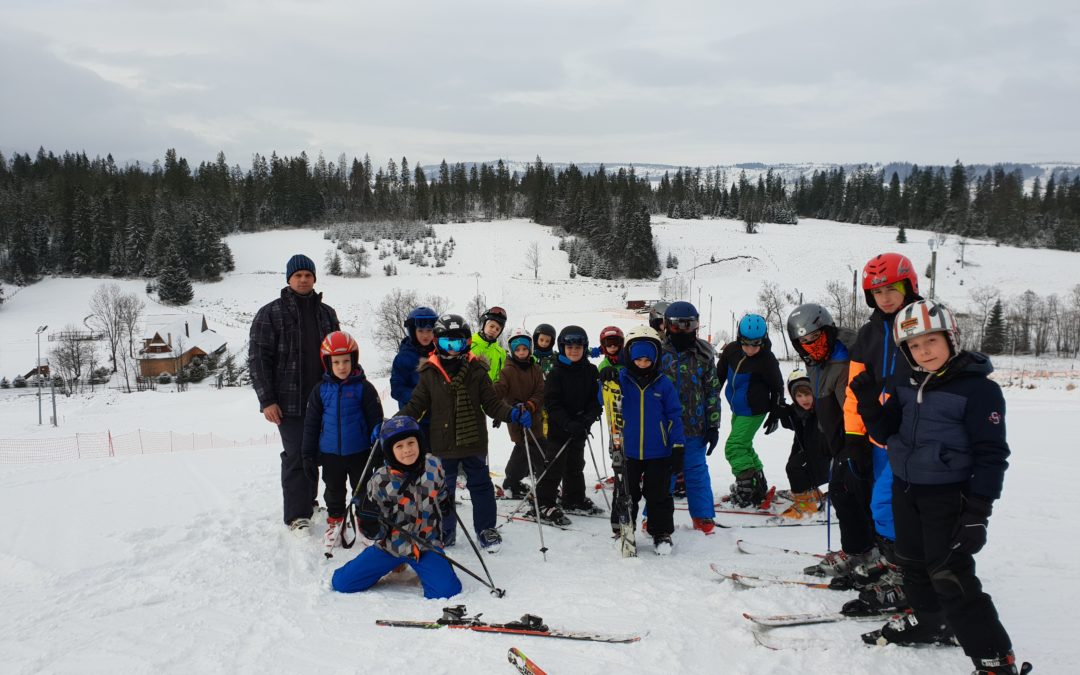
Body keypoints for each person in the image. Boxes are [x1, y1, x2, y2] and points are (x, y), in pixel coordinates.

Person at [851, 300, 1030, 675]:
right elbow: (885, 433)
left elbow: (991, 454)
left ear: (952, 338)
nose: (924, 351)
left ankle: (995, 660)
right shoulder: (906, 381)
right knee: (912, 564)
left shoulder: (979, 391)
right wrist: (869, 404)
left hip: (948, 496)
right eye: (914, 346)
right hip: (906, 488)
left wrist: (978, 513)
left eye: (931, 340)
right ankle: (931, 622)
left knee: (951, 575)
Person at [399, 314, 528, 553]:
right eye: (447, 343)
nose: (452, 350)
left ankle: (485, 528)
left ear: (467, 343)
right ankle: (445, 531)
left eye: (457, 343)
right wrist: (395, 423)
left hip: (473, 442)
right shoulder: (429, 373)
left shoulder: (476, 370)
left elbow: (492, 404)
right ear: (437, 343)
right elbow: (416, 405)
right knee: (443, 490)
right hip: (443, 443)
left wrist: (512, 414)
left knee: (481, 486)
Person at [786, 303, 878, 577]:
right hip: (839, 439)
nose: (809, 344)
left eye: (814, 337)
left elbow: (855, 403)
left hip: (858, 440)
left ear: (826, 331)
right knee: (844, 495)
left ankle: (863, 552)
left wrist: (854, 442)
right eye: (802, 341)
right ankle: (860, 549)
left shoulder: (846, 357)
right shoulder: (816, 362)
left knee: (852, 494)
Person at [249, 254, 340, 532]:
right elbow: (258, 358)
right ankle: (297, 515)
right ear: (289, 279)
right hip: (289, 403)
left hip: (325, 399)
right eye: (298, 275)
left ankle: (311, 503)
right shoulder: (271, 313)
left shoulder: (327, 313)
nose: (303, 280)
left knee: (323, 454)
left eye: (308, 275)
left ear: (314, 278)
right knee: (297, 456)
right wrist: (267, 400)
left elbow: (339, 355)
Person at [845, 253, 922, 568]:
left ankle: (905, 570)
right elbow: (854, 389)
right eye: (877, 292)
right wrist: (854, 435)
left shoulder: (924, 322)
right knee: (885, 502)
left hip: (912, 433)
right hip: (877, 434)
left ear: (909, 285)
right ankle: (893, 561)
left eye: (892, 289)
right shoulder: (868, 334)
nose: (885, 298)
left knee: (886, 504)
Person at [331, 415, 462, 599]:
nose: (407, 450)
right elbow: (373, 524)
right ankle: (394, 563)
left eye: (411, 443)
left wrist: (444, 501)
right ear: (390, 451)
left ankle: (432, 564)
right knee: (342, 583)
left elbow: (440, 492)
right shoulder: (380, 480)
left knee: (447, 591)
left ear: (419, 443)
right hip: (391, 546)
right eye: (399, 446)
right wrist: (370, 524)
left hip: (426, 544)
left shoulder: (433, 465)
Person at [301, 331, 385, 548]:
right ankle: (336, 523)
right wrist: (307, 455)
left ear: (354, 360)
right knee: (334, 490)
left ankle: (365, 523)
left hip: (360, 452)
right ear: (327, 363)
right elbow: (311, 425)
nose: (341, 366)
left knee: (364, 489)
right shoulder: (320, 391)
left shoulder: (364, 388)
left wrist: (378, 449)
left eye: (346, 361)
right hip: (330, 454)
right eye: (336, 362)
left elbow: (376, 420)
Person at [616, 326, 684, 555]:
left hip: (659, 452)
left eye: (647, 359)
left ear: (655, 359)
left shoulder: (664, 384)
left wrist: (677, 445)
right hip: (629, 450)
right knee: (627, 493)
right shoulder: (621, 380)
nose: (643, 364)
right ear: (630, 358)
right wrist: (604, 380)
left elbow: (674, 414)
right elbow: (603, 400)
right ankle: (623, 528)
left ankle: (661, 532)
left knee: (659, 495)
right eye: (638, 359)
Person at [659, 301, 721, 533]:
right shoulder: (657, 352)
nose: (684, 331)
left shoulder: (704, 354)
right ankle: (656, 515)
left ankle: (703, 516)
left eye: (689, 325)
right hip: (664, 427)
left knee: (696, 472)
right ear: (667, 326)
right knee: (664, 474)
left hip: (695, 428)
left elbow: (712, 391)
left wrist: (713, 425)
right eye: (677, 326)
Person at [715, 313, 785, 510]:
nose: (751, 349)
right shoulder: (731, 351)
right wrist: (710, 399)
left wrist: (775, 412)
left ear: (763, 341)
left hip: (754, 410)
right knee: (744, 446)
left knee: (734, 447)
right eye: (746, 344)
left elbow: (778, 387)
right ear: (739, 338)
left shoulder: (767, 359)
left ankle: (747, 491)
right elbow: (718, 377)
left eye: (756, 345)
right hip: (738, 408)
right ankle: (758, 486)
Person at [496, 328, 564, 524]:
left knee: (523, 450)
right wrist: (507, 408)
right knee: (538, 453)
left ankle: (511, 482)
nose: (521, 353)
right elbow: (500, 391)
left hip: (533, 417)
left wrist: (531, 404)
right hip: (517, 419)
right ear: (512, 351)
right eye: (517, 350)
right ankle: (545, 492)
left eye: (525, 349)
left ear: (530, 349)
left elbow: (540, 391)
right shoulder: (507, 371)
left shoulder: (535, 368)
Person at [544, 325, 603, 516]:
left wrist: (587, 418)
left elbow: (596, 400)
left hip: (580, 428)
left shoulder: (591, 371)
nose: (574, 351)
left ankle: (574, 498)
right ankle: (545, 503)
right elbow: (552, 404)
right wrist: (567, 423)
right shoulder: (556, 373)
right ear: (562, 348)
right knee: (554, 466)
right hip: (560, 429)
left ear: (584, 348)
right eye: (569, 348)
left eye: (578, 347)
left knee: (576, 465)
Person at [776, 370, 830, 519]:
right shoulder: (798, 410)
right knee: (794, 464)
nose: (804, 399)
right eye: (799, 396)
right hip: (805, 448)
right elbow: (791, 423)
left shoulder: (821, 410)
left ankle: (807, 504)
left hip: (823, 454)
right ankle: (809, 492)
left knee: (794, 467)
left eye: (807, 394)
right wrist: (783, 411)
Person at [390, 306, 438, 409]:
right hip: (414, 417)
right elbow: (397, 389)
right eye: (420, 331)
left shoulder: (438, 353)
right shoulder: (403, 358)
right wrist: (421, 398)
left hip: (437, 417)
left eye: (429, 330)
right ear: (413, 331)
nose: (425, 335)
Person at [471, 306, 508, 382]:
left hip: (489, 391)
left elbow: (499, 377)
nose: (494, 330)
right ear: (483, 325)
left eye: (497, 329)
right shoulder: (469, 344)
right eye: (491, 326)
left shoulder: (501, 353)